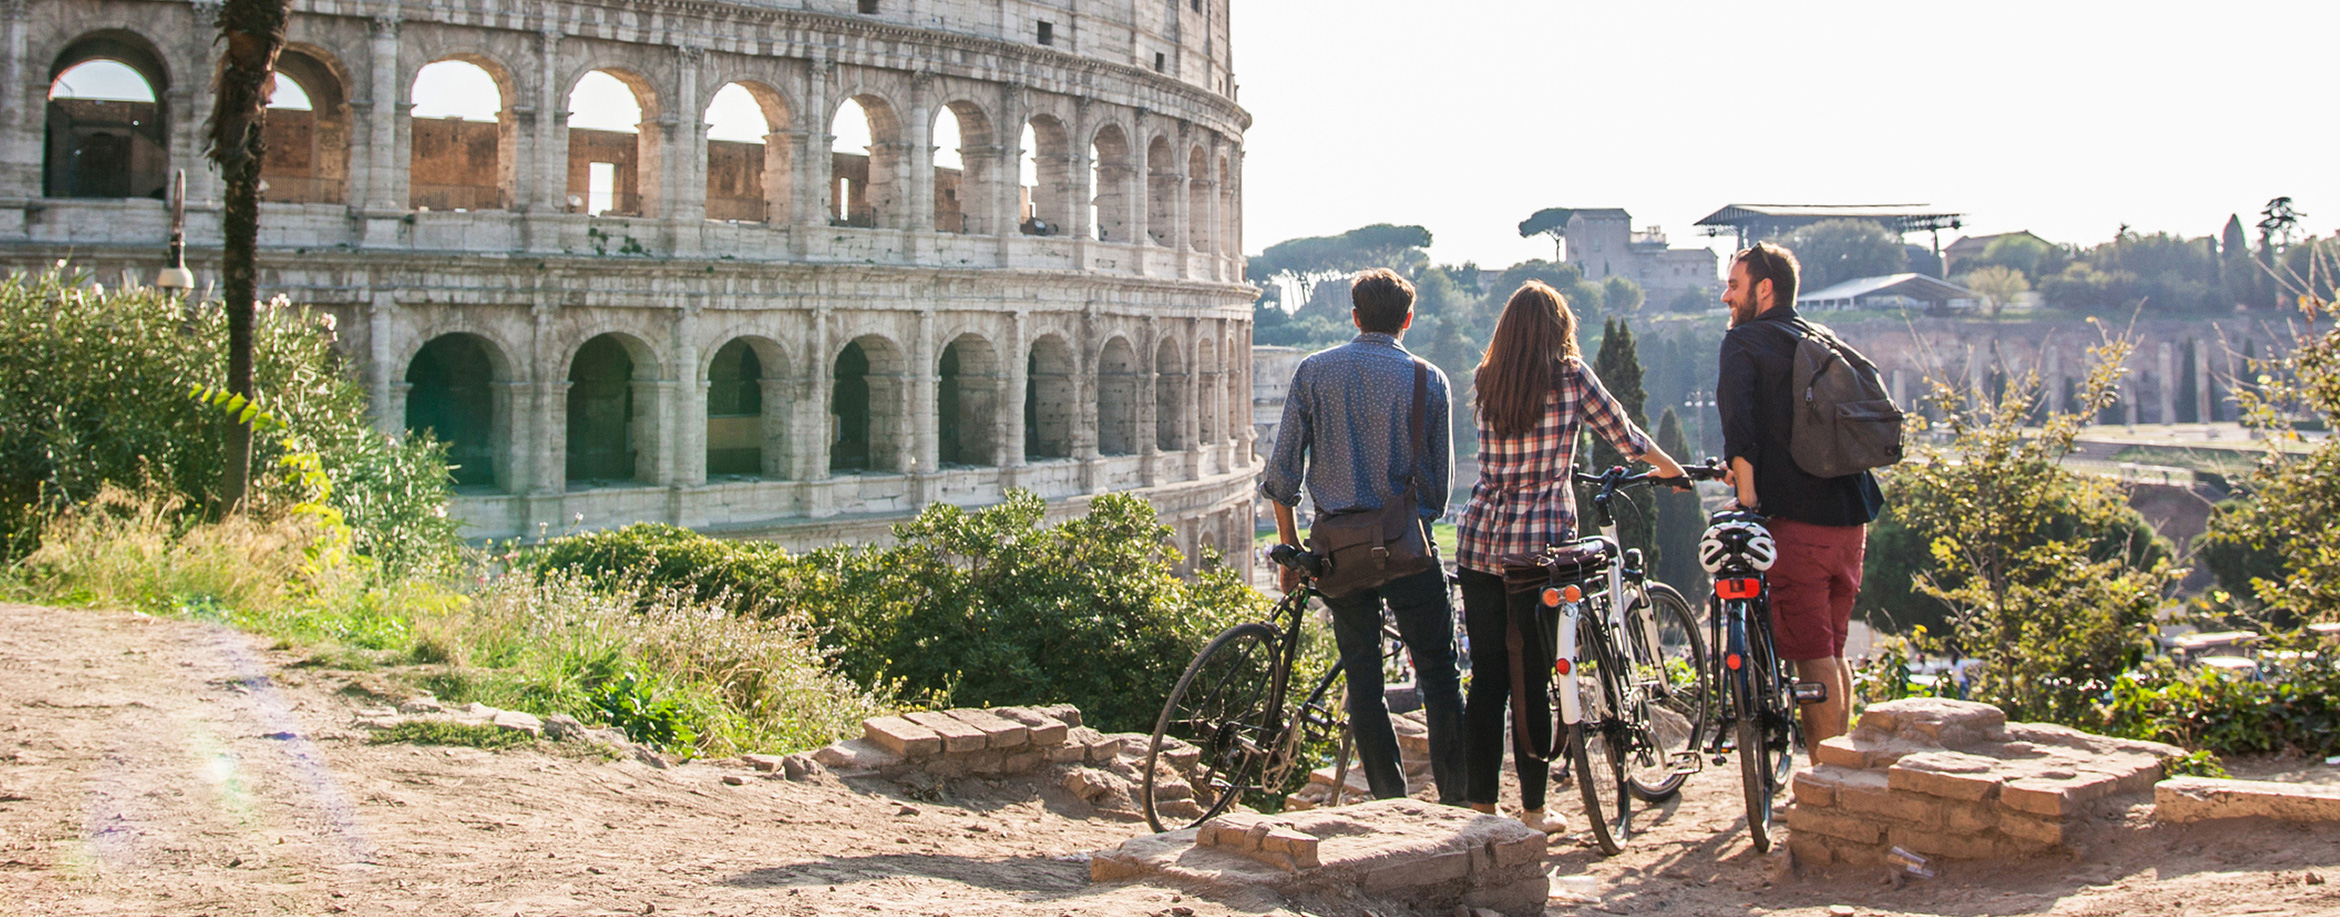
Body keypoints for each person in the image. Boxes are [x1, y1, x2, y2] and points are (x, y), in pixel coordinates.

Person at [1452, 281, 1688, 832]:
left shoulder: (1486, 379)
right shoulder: (1572, 377)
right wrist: (1673, 470)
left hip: (1481, 539)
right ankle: (1533, 813)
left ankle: (1481, 807)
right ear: (1559, 329)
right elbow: (1626, 437)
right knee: (1532, 677)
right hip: (1539, 550)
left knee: (1486, 677)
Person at [1260, 268, 1466, 804]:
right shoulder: (1431, 380)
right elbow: (1437, 493)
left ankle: (1389, 802)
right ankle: (1458, 801)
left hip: (1338, 552)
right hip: (1409, 547)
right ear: (1408, 320)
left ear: (1353, 316)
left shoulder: (1314, 372)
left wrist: (1292, 552)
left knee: (1364, 683)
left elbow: (1282, 476)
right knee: (1441, 675)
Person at [1716, 242, 1885, 746]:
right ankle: (1840, 773)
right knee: (1832, 650)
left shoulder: (1744, 343)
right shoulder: (1819, 336)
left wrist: (1746, 502)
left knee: (1812, 656)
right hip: (1851, 516)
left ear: (1763, 289)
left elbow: (1739, 434)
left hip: (1798, 523)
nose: (1726, 296)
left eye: (1734, 285)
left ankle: (1822, 785)